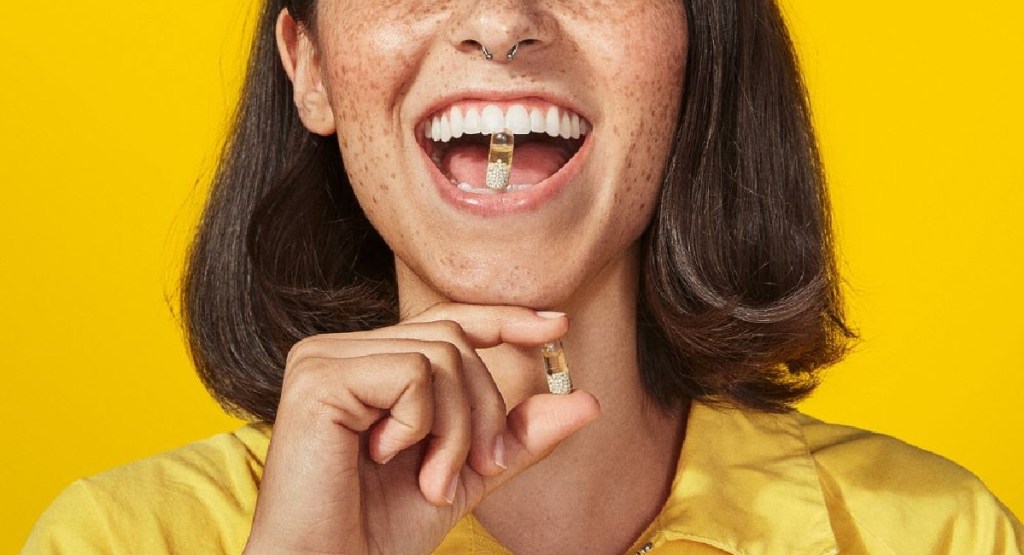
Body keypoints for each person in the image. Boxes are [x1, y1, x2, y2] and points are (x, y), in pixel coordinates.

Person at [23, 0, 1023, 553]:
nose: (501, 23)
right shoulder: (118, 541)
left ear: (697, 43)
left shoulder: (935, 537)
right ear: (311, 69)